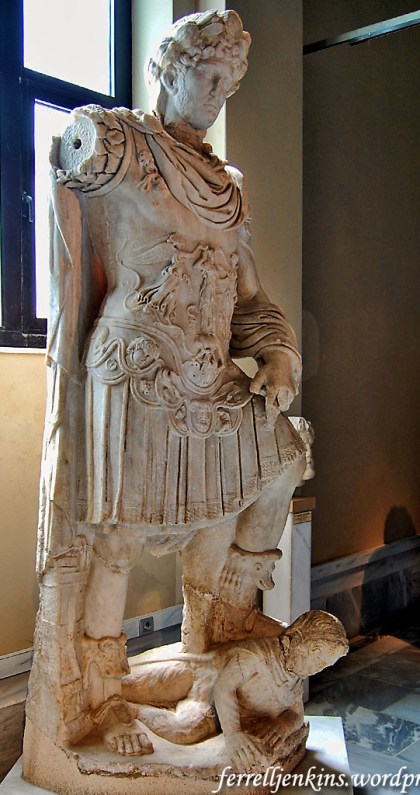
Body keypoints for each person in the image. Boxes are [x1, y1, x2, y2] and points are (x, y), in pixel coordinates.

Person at [32, 10, 306, 757]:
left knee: (277, 461)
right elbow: (67, 160)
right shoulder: (122, 144)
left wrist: (278, 356)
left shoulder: (229, 189)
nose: (217, 93)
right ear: (166, 67)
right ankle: (99, 697)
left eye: (230, 83)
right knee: (115, 543)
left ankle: (212, 637)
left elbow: (250, 303)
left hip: (208, 378)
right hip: (134, 369)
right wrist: (80, 141)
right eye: (206, 73)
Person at [121, 611, 349, 772]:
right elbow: (224, 687)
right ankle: (119, 704)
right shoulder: (256, 657)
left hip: (224, 711)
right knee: (125, 684)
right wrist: (233, 734)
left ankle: (129, 710)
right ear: (293, 640)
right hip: (204, 686)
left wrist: (282, 725)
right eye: (317, 657)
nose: (318, 668)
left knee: (185, 731)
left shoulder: (293, 676)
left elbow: (295, 713)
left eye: (325, 665)